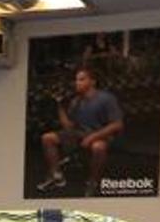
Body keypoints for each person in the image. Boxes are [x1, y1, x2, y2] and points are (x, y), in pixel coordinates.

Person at [38, 64, 125, 193]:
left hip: (100, 134)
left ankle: (93, 181)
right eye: (76, 80)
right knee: (47, 138)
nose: (77, 83)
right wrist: (60, 105)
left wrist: (92, 137)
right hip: (79, 134)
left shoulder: (106, 98)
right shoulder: (76, 101)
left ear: (92, 82)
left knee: (98, 147)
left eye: (81, 79)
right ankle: (57, 176)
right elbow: (68, 127)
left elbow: (117, 124)